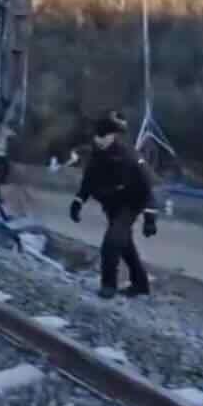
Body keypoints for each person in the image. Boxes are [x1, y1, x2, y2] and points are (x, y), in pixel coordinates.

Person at [68, 110, 160, 299]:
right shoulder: (96, 155)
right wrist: (78, 202)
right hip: (112, 204)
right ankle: (140, 284)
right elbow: (89, 180)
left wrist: (150, 217)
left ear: (112, 136)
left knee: (111, 243)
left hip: (132, 202)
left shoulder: (129, 156)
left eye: (103, 135)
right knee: (124, 244)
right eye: (97, 135)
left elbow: (147, 185)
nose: (98, 139)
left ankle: (108, 285)